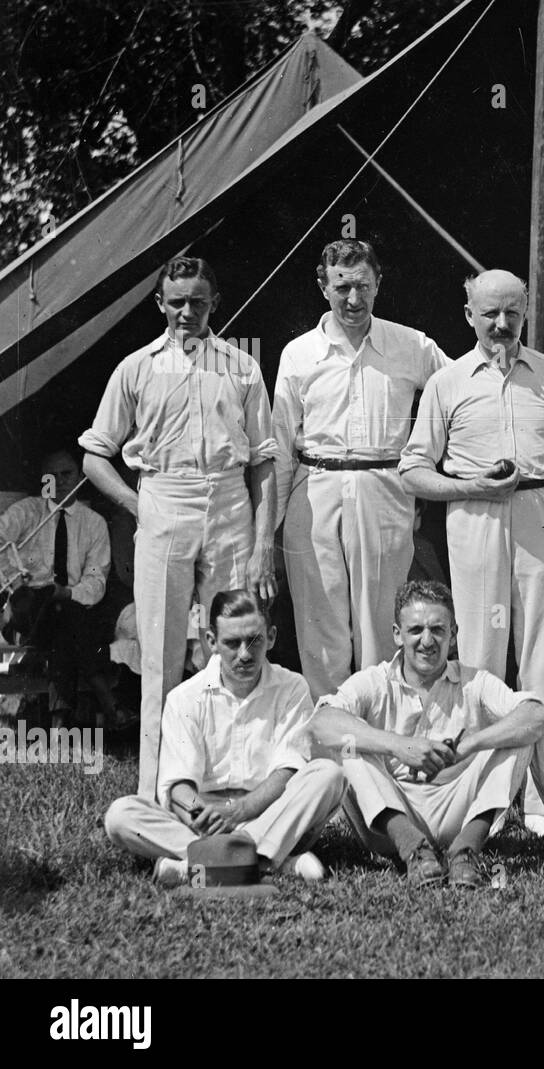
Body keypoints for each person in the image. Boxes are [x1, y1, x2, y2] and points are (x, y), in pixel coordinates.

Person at [80, 257, 278, 797]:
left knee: (235, 645)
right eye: (176, 301)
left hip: (230, 499)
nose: (186, 312)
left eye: (197, 301)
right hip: (163, 498)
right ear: (160, 304)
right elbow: (95, 455)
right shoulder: (135, 368)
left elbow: (264, 459)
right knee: (161, 654)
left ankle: (236, 785)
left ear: (215, 302)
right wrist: (137, 505)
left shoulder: (241, 367)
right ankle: (158, 790)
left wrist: (263, 543)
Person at [399, 268, 544, 701]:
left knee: (543, 651)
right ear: (469, 314)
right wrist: (471, 486)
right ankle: (478, 757)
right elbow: (413, 469)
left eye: (513, 312)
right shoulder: (446, 382)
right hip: (475, 517)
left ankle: (535, 758)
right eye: (490, 313)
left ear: (526, 312)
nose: (502, 324)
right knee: (478, 647)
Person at [273, 239, 448, 700]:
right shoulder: (297, 353)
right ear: (322, 285)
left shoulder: (412, 345)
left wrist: (428, 463)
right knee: (320, 629)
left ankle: (382, 743)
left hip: (383, 487)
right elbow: (280, 442)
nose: (353, 300)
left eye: (363, 287)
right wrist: (266, 529)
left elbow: (457, 397)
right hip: (314, 488)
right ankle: (332, 751)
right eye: (342, 286)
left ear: (378, 285)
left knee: (379, 624)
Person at [309, 580, 544, 889]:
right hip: (391, 818)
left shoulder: (474, 681)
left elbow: (537, 714)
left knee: (518, 735)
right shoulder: (374, 680)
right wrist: (400, 746)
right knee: (348, 744)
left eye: (438, 630)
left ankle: (465, 852)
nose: (427, 641)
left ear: (453, 635)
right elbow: (321, 722)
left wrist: (469, 745)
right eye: (416, 630)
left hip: (456, 808)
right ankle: (414, 850)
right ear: (398, 634)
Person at [103, 590, 345, 886]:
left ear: (270, 637)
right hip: (204, 822)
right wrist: (201, 815)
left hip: (270, 814)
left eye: (254, 640)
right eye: (232, 643)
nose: (244, 654)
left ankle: (197, 868)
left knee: (329, 775)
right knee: (121, 815)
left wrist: (240, 810)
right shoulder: (184, 697)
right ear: (211, 642)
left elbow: (288, 771)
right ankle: (268, 862)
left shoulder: (292, 688)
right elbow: (178, 784)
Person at [0, 446, 116, 725]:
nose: (61, 481)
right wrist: (13, 576)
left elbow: (96, 579)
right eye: (52, 476)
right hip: (27, 612)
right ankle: (105, 702)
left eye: (68, 474)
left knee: (66, 617)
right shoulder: (28, 511)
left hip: (68, 610)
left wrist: (68, 593)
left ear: (80, 476)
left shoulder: (94, 524)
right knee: (64, 614)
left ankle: (59, 723)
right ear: (43, 481)